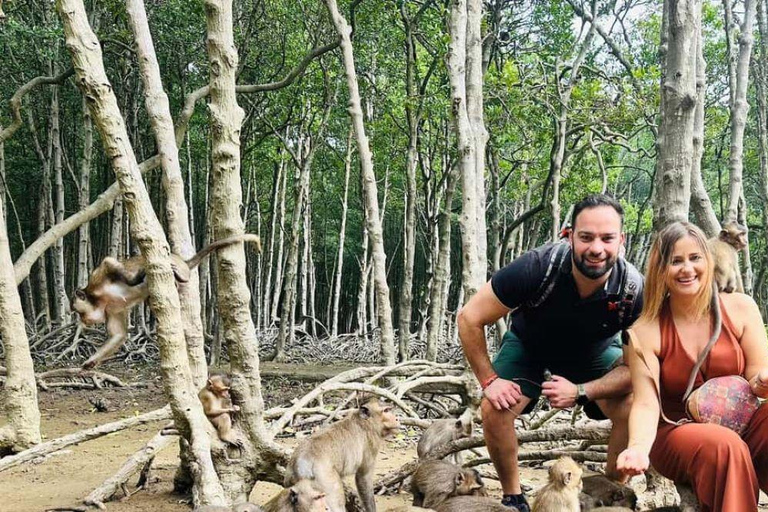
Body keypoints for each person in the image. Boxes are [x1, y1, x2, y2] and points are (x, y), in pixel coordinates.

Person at [458, 194, 642, 511]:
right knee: (495, 408)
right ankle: (513, 497)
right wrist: (489, 381)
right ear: (568, 235)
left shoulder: (633, 290)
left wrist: (583, 390)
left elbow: (637, 370)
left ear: (620, 241)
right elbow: (469, 318)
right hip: (530, 345)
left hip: (595, 354)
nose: (597, 249)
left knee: (631, 404)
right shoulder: (536, 268)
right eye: (586, 237)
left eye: (607, 238)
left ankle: (611, 495)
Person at [617, 221, 768, 512]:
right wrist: (637, 447)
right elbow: (647, 404)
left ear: (709, 261)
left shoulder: (741, 307)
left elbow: (757, 376)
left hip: (743, 422)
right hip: (676, 432)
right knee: (724, 445)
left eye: (695, 258)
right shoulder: (644, 330)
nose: (687, 269)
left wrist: (762, 380)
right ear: (661, 270)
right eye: (676, 261)